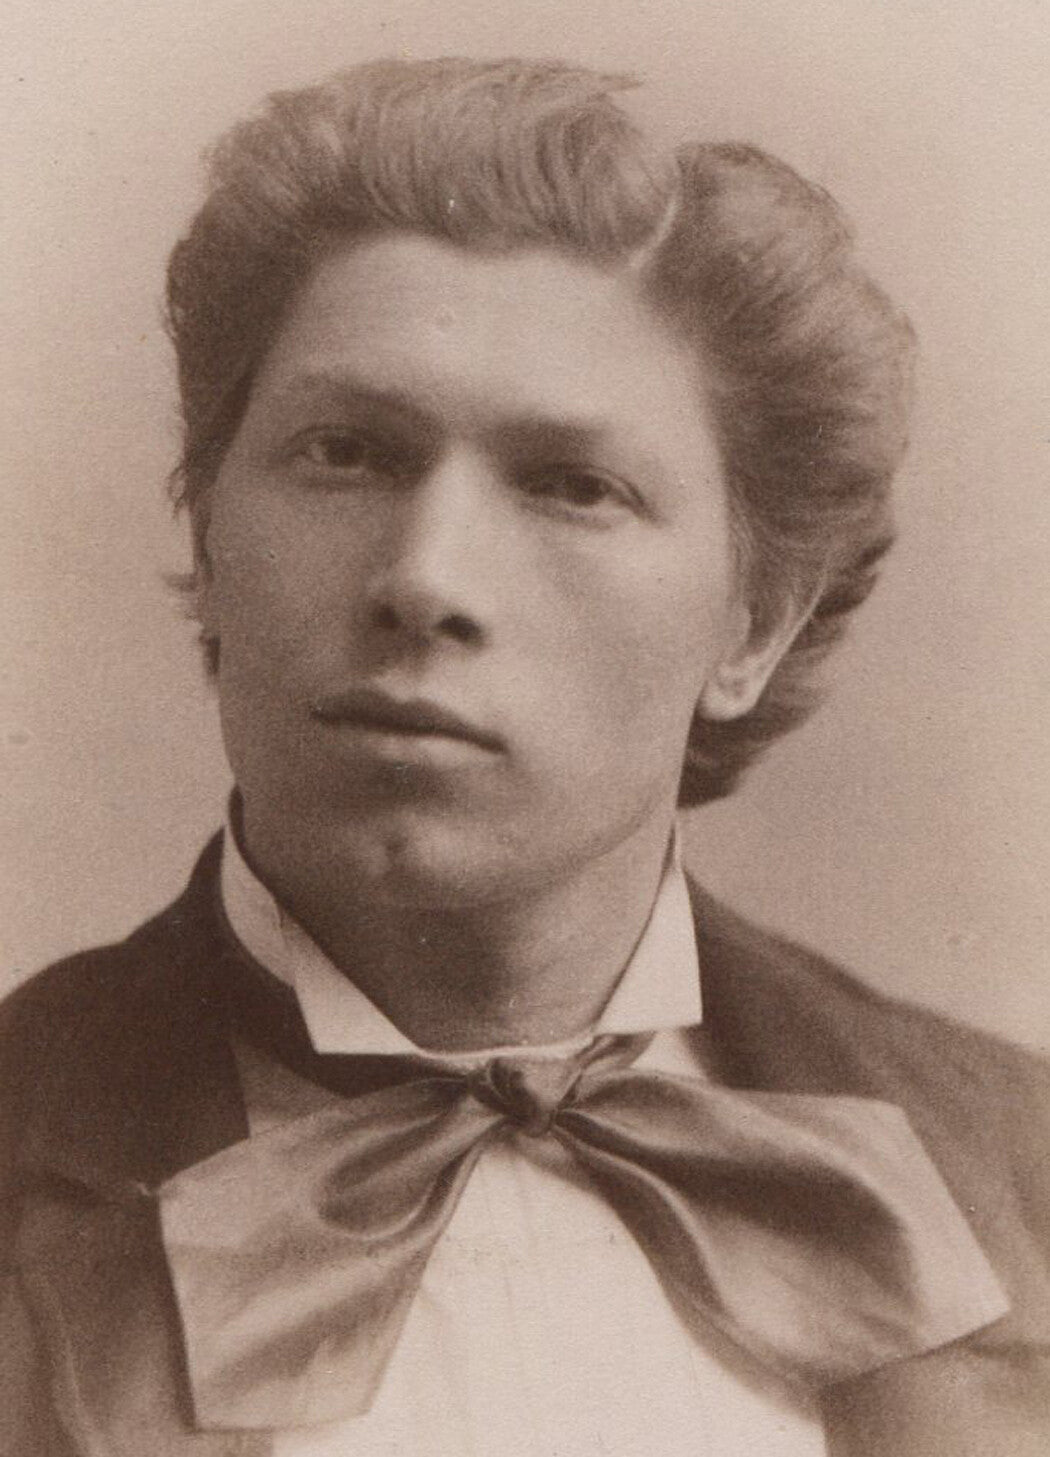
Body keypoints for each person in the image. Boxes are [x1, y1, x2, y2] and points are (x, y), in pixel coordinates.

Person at [2, 57, 1047, 1457]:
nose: (425, 577)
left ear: (753, 621)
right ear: (209, 527)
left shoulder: (1013, 1171)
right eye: (346, 451)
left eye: (572, 485)